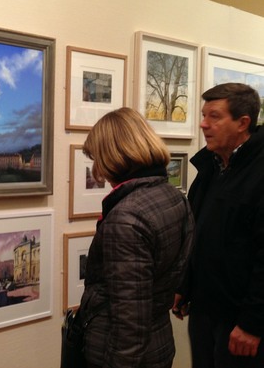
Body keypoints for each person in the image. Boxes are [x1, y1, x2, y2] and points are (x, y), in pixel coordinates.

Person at [79, 107, 194, 368]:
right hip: (159, 342)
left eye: (98, 158)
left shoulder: (126, 218)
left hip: (122, 355)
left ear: (114, 156)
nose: (98, 170)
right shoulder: (173, 196)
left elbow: (130, 324)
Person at [172, 83, 264, 368]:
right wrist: (185, 284)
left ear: (242, 123)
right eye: (203, 115)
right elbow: (199, 234)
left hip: (241, 321)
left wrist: (253, 323)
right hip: (205, 311)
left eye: (214, 116)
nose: (203, 124)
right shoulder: (211, 166)